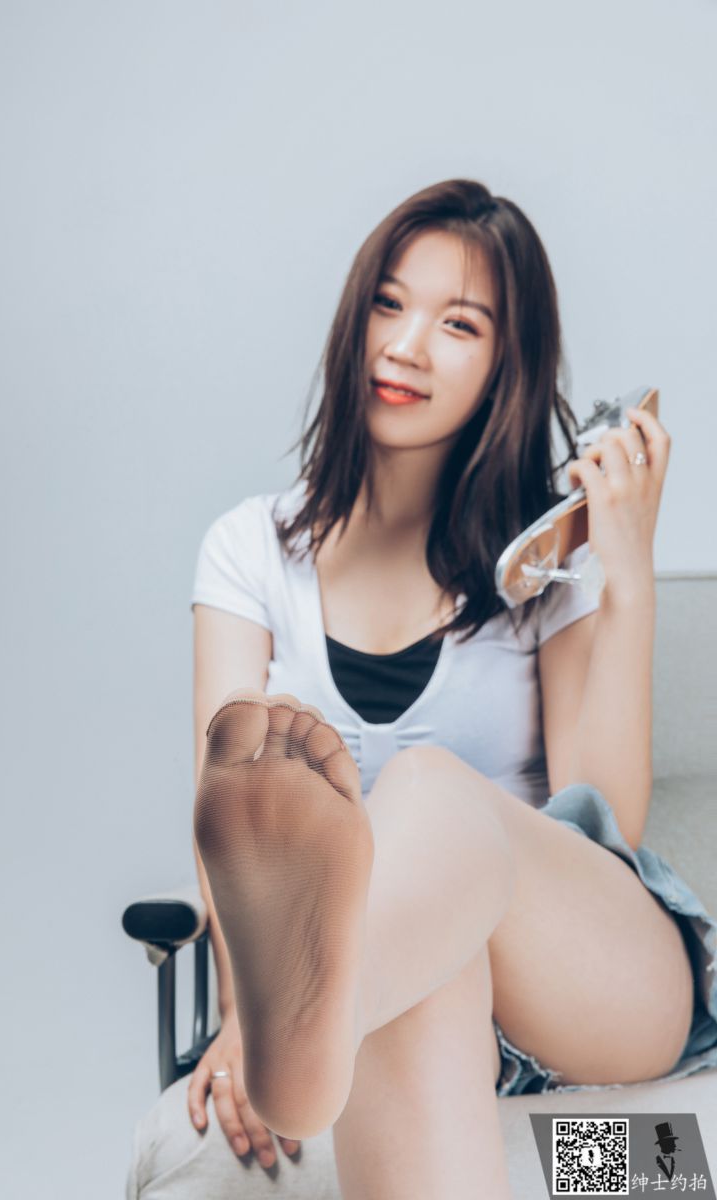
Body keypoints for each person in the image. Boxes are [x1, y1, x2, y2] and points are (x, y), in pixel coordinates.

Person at [186, 179, 717, 1198]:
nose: (405, 346)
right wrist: (236, 1003)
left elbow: (607, 822)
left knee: (421, 793)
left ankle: (317, 1014)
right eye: (388, 304)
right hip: (422, 967)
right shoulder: (247, 553)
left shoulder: (544, 570)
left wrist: (625, 570)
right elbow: (229, 821)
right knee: (413, 949)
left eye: (457, 324)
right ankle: (320, 1011)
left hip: (598, 983)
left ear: (507, 366)